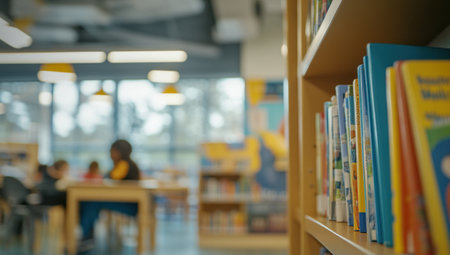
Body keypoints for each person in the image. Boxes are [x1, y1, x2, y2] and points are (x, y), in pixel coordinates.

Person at [79, 140, 141, 248]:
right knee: (91, 202)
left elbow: (110, 178)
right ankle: (87, 235)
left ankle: (86, 236)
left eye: (112, 151)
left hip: (129, 205)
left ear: (119, 152)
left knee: (91, 202)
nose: (111, 155)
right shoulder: (128, 164)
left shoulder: (123, 164)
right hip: (127, 202)